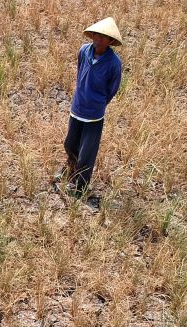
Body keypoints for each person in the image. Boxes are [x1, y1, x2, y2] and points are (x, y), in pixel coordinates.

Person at [59, 17, 123, 207]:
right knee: (70, 144)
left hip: (94, 115)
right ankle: (70, 171)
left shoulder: (113, 63)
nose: (98, 39)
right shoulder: (83, 51)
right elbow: (80, 73)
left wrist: (99, 103)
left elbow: (113, 89)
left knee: (87, 153)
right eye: (96, 35)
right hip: (77, 109)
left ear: (110, 41)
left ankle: (80, 187)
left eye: (103, 37)